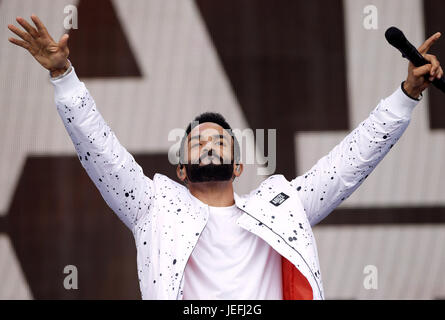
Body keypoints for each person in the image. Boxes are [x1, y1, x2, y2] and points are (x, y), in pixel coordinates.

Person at [8, 14, 443, 300]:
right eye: (197, 141)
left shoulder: (282, 206)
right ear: (180, 170)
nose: (210, 143)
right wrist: (63, 76)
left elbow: (349, 162)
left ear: (238, 166)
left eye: (221, 140)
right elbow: (99, 150)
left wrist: (405, 96)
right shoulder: (152, 206)